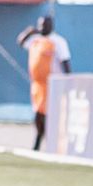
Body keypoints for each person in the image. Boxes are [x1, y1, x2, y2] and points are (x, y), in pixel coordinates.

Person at [17, 14, 71, 151]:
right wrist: (31, 31)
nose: (42, 27)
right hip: (37, 85)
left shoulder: (58, 42)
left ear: (51, 25)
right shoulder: (36, 40)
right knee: (38, 114)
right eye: (40, 25)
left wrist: (68, 82)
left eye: (45, 24)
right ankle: (39, 141)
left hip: (52, 84)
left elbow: (66, 63)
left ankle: (49, 143)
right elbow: (21, 41)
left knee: (48, 115)